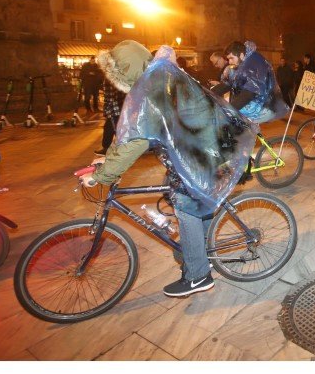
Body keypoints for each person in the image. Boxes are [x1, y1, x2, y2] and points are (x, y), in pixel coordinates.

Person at [80, 40, 256, 297]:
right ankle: (199, 254)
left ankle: (198, 276)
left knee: (186, 207)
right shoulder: (158, 78)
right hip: (209, 145)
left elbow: (137, 140)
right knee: (195, 204)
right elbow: (130, 132)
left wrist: (102, 175)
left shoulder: (153, 88)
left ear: (126, 71)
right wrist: (107, 159)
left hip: (208, 150)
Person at [219, 41, 289, 123]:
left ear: (241, 55)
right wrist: (205, 94)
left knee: (232, 126)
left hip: (264, 106)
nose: (229, 62)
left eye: (231, 58)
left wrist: (229, 109)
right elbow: (228, 84)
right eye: (228, 59)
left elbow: (249, 94)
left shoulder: (253, 63)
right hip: (254, 104)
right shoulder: (242, 64)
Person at [93, 78, 126, 155]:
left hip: (114, 109)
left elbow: (112, 97)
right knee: (110, 128)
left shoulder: (110, 79)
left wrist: (108, 110)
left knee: (114, 128)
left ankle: (110, 148)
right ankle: (108, 147)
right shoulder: (117, 77)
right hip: (117, 107)